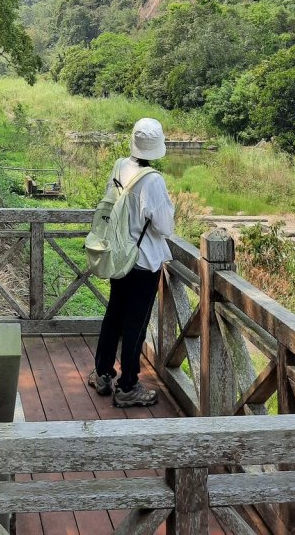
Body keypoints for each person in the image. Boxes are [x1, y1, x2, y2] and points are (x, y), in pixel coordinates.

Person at [88, 118, 175, 407]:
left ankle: (101, 373)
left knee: (114, 314)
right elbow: (165, 227)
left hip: (119, 254)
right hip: (143, 261)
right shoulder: (153, 180)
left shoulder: (119, 166)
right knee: (135, 324)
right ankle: (127, 386)